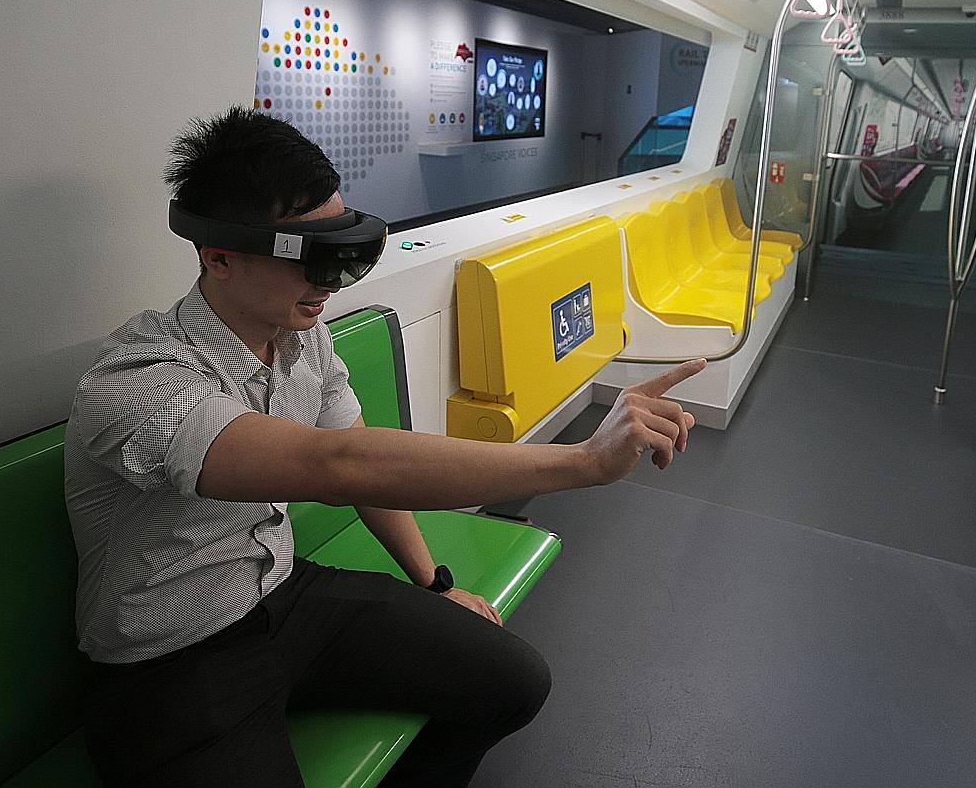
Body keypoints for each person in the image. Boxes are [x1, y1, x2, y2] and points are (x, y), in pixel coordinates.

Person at [65, 106, 706, 786]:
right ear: (220, 257)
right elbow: (337, 467)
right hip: (169, 661)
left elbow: (357, 449)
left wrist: (434, 584)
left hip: (284, 596)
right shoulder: (140, 381)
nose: (329, 281)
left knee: (511, 681)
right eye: (309, 256)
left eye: (341, 246)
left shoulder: (300, 332)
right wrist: (581, 461)